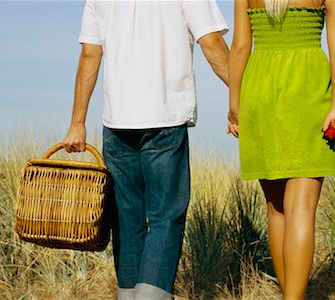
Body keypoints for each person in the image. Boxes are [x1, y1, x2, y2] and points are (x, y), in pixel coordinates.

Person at [63, 1, 229, 299]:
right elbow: (212, 43)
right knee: (166, 217)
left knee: (127, 222)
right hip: (164, 119)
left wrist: (77, 122)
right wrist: (246, 96)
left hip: (116, 123)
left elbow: (90, 54)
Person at [228, 0, 335, 299]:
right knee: (301, 209)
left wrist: (234, 105)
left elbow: (240, 47)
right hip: (306, 89)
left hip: (260, 90)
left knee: (277, 210)